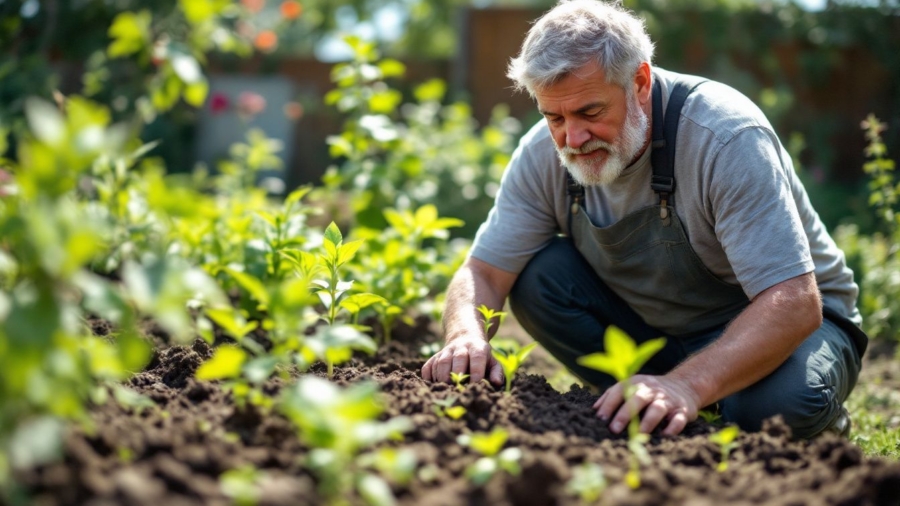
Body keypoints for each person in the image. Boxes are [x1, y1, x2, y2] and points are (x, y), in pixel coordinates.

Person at [421, 0, 867, 439]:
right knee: (539, 278)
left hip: (794, 323)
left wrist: (686, 383)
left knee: (779, 408)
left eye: (590, 112)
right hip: (662, 330)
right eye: (553, 116)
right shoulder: (543, 152)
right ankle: (655, 398)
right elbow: (483, 270)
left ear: (639, 82)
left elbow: (793, 301)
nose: (572, 138)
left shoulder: (724, 137)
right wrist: (465, 336)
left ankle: (735, 398)